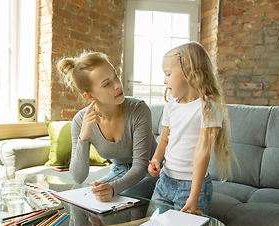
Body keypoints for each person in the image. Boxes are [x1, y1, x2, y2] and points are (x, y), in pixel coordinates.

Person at [148, 42, 238, 215]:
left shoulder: (208, 107)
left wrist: (194, 196)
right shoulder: (171, 106)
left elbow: (203, 152)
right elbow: (165, 139)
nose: (164, 80)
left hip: (190, 187)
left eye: (168, 74)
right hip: (165, 180)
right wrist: (156, 160)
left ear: (189, 73)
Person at [57, 51, 157, 202]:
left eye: (115, 76)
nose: (117, 85)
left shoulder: (138, 109)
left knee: (125, 196)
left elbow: (140, 166)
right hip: (119, 172)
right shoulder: (80, 120)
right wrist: (83, 137)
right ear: (90, 96)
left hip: (151, 170)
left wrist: (113, 188)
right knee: (88, 195)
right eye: (107, 84)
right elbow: (78, 177)